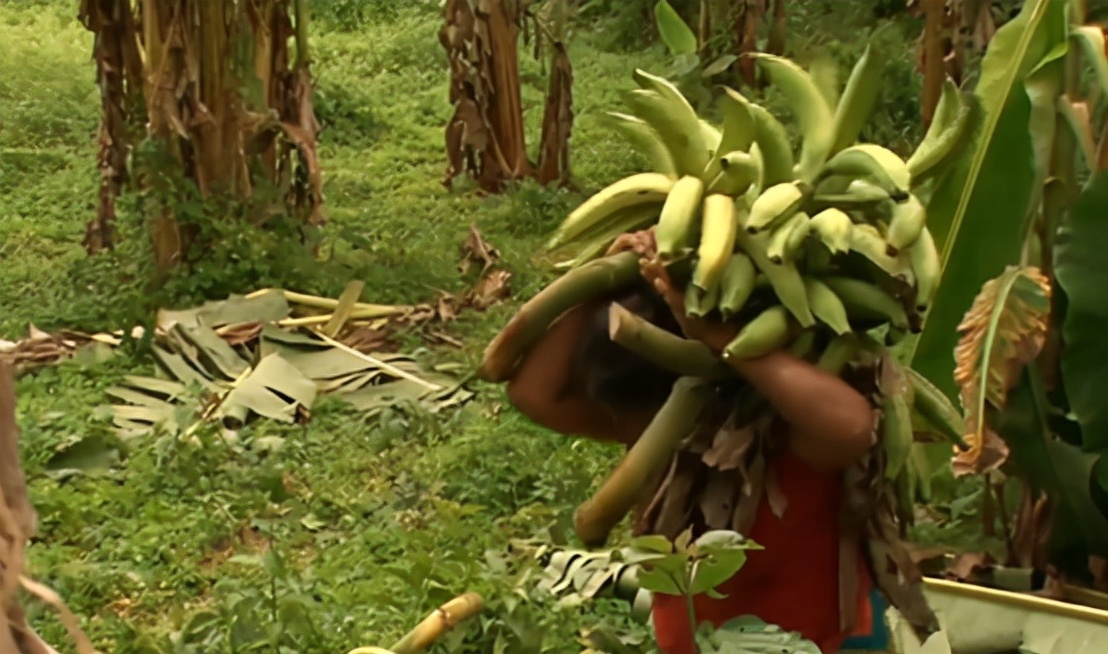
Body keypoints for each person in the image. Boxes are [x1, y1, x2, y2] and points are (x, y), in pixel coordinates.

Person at [506, 229, 879, 653]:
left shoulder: (784, 439)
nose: (620, 433)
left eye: (622, 420)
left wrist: (723, 342)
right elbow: (531, 392)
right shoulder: (652, 432)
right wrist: (603, 282)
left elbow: (852, 425)